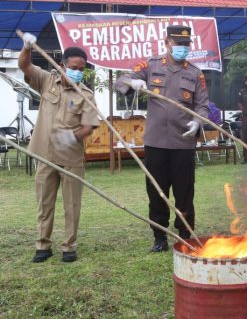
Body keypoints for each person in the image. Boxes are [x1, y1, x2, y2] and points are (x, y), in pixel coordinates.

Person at [115, 25, 210, 252]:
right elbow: (120, 82)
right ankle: (160, 237)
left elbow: (203, 106)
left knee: (184, 192)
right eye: (179, 44)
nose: (183, 48)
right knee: (156, 192)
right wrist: (132, 82)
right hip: (156, 143)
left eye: (187, 45)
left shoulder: (196, 73)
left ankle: (186, 234)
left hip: (183, 143)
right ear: (167, 42)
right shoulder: (151, 65)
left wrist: (198, 122)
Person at [19, 33, 100, 263]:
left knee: (72, 204)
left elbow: (89, 126)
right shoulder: (46, 80)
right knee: (45, 203)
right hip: (45, 154)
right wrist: (27, 48)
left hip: (71, 157)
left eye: (81, 69)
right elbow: (24, 65)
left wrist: (71, 136)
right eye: (73, 67)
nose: (77, 72)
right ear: (62, 65)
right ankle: (43, 245)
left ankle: (69, 246)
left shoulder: (86, 95)